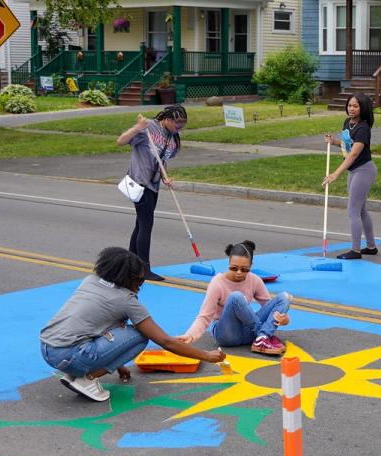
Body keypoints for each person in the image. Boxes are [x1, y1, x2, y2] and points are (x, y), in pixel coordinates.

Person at [40, 247, 225, 402]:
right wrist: (207, 356)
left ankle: (74, 373)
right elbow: (165, 341)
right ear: (125, 278)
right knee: (140, 335)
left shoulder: (91, 281)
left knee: (119, 329)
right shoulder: (126, 300)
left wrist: (117, 364)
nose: (140, 285)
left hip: (47, 348)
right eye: (139, 280)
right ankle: (87, 379)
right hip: (70, 355)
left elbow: (102, 325)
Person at [178, 241, 292, 355]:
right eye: (234, 268)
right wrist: (190, 335)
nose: (239, 272)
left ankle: (262, 337)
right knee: (235, 297)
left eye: (244, 269)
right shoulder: (217, 283)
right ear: (228, 263)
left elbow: (270, 309)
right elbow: (204, 317)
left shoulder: (255, 279)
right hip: (227, 334)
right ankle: (263, 336)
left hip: (248, 332)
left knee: (284, 297)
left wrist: (284, 320)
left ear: (251, 266)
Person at [117, 105, 189, 282]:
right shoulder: (147, 127)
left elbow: (162, 159)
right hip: (139, 182)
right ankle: (143, 268)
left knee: (140, 224)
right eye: (177, 124)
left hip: (154, 185)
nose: (179, 128)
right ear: (167, 119)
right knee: (146, 225)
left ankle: (130, 263)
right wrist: (137, 128)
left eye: (182, 125)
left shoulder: (173, 137)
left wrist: (165, 177)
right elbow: (120, 141)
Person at [323, 93, 378, 260]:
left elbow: (353, 154)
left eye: (355, 106)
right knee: (361, 210)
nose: (351, 109)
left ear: (363, 108)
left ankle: (355, 250)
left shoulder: (363, 128)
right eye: (349, 105)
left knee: (353, 210)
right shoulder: (348, 122)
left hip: (363, 170)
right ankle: (371, 247)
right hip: (354, 170)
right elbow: (348, 144)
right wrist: (334, 142)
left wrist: (335, 174)